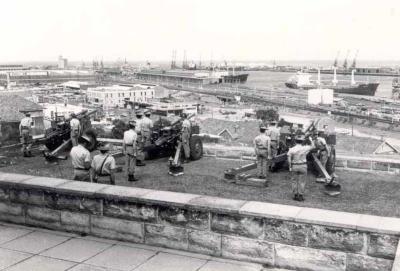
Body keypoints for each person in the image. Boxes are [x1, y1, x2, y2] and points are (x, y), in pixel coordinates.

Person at [287, 136, 315, 201]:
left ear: (295, 141)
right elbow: (313, 146)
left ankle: (295, 195)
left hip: (295, 166)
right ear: (302, 142)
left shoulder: (291, 149)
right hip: (303, 166)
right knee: (302, 181)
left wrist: (290, 167)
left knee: (294, 181)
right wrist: (311, 139)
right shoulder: (305, 148)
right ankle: (301, 195)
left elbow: (289, 159)